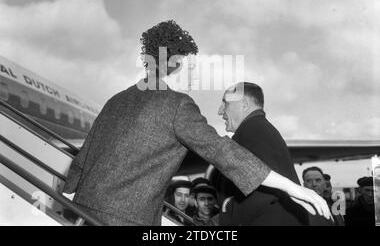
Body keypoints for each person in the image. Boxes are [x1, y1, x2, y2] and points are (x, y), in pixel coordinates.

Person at [63, 20, 331, 225]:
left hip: (83, 210)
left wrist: (65, 198)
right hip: (128, 219)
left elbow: (83, 157)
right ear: (177, 63)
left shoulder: (116, 100)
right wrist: (290, 186)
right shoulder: (177, 104)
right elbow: (222, 151)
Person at [213, 82, 309, 226]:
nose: (220, 111)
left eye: (225, 103)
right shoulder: (259, 129)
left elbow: (263, 194)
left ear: (244, 105)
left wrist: (222, 220)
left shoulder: (252, 131)